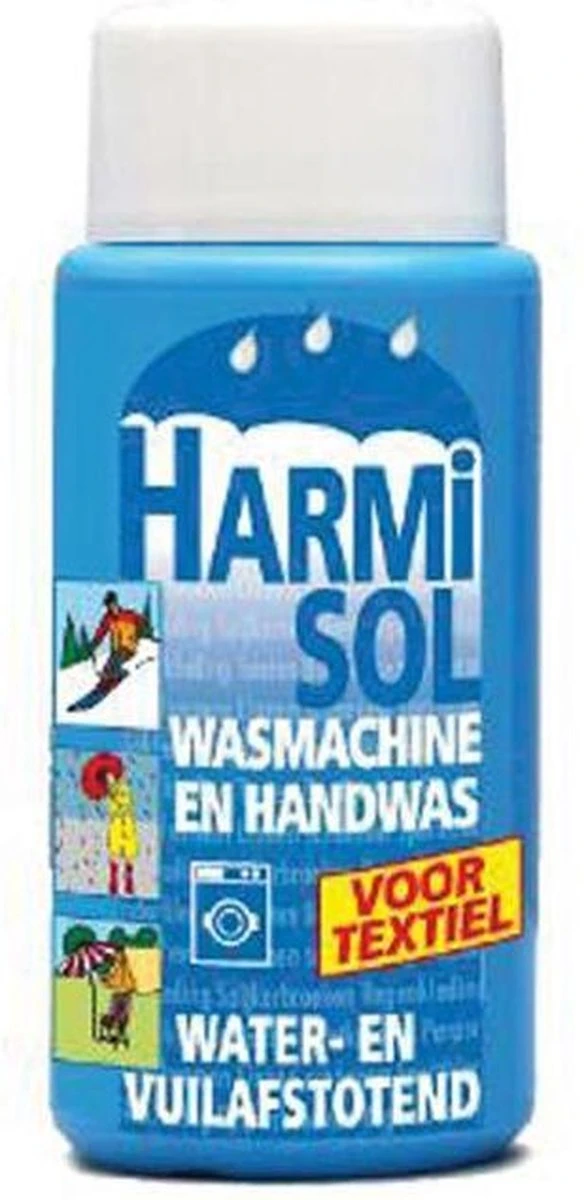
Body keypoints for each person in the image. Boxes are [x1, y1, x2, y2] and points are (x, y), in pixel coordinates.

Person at [90, 590, 146, 684]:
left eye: (110, 604)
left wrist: (142, 634)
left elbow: (142, 622)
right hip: (116, 650)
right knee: (108, 667)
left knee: (115, 663)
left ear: (115, 602)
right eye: (107, 605)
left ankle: (122, 675)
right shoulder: (108, 618)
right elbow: (101, 631)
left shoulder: (129, 615)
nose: (109, 607)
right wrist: (94, 643)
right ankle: (107, 680)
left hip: (129, 647)